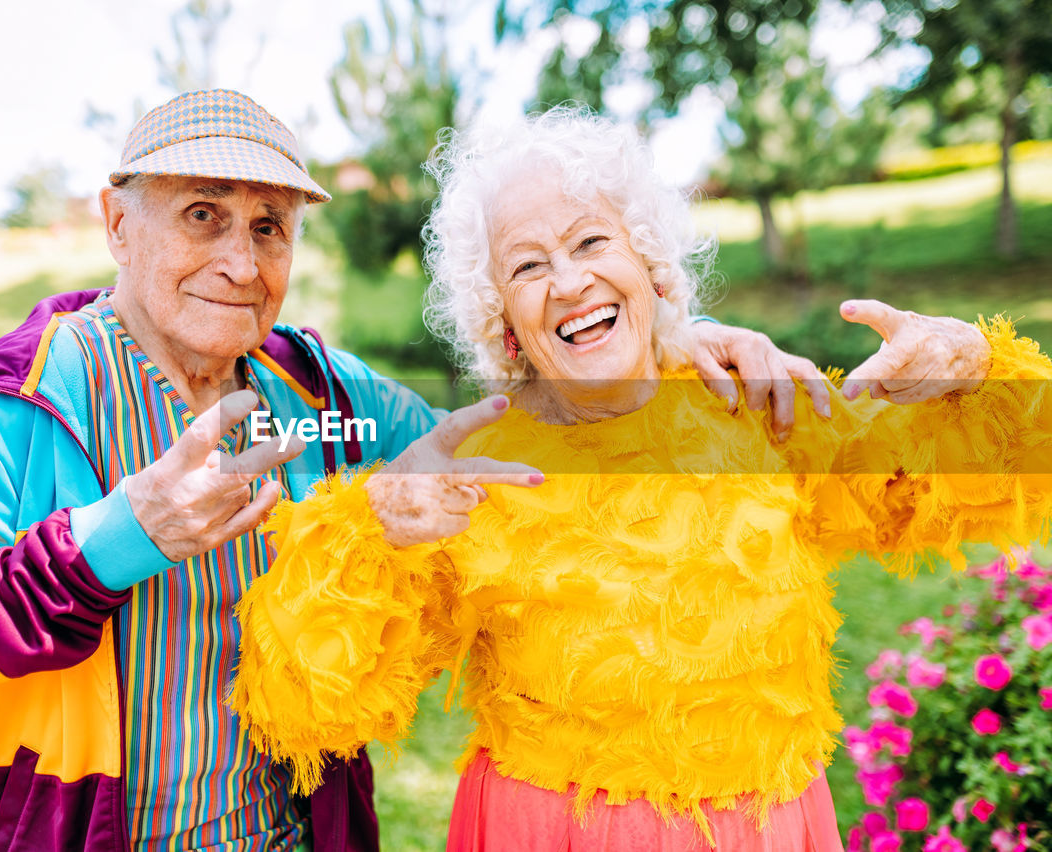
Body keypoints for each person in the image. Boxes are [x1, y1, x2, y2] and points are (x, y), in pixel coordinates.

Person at [0, 90, 832, 852]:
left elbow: (497, 448)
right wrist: (107, 545)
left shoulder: (316, 394)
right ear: (117, 222)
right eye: (201, 215)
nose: (238, 258)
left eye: (268, 227)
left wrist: (665, 332)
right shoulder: (18, 400)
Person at [229, 108, 1052, 851]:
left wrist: (971, 364)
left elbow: (993, 477)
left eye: (592, 243)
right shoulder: (471, 475)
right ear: (504, 325)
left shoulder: (759, 405)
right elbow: (308, 707)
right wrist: (379, 526)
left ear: (651, 269)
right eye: (527, 268)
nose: (570, 282)